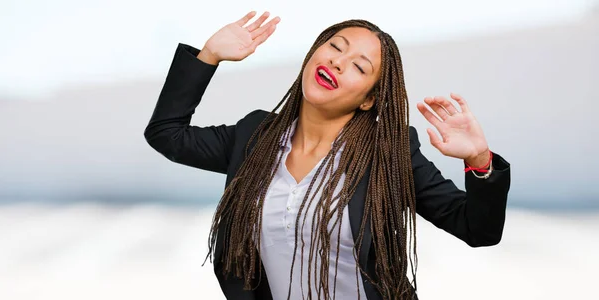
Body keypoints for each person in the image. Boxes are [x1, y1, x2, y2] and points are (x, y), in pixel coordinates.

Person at [144, 11, 511, 300]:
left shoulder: (388, 152)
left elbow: (477, 228)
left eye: (359, 66)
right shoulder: (254, 136)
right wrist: (208, 57)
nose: (338, 61)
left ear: (369, 99)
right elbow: (167, 135)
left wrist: (479, 159)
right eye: (336, 47)